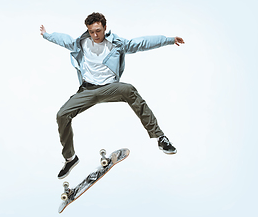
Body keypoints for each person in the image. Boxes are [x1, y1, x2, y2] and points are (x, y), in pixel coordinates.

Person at [40, 12, 185, 179]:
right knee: (62, 114)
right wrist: (46, 35)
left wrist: (169, 39)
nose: (95, 35)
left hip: (110, 88)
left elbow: (141, 43)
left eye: (98, 31)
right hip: (87, 90)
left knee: (129, 89)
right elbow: (62, 39)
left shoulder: (117, 43)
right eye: (92, 32)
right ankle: (70, 158)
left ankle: (160, 138)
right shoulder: (80, 43)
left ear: (105, 28)